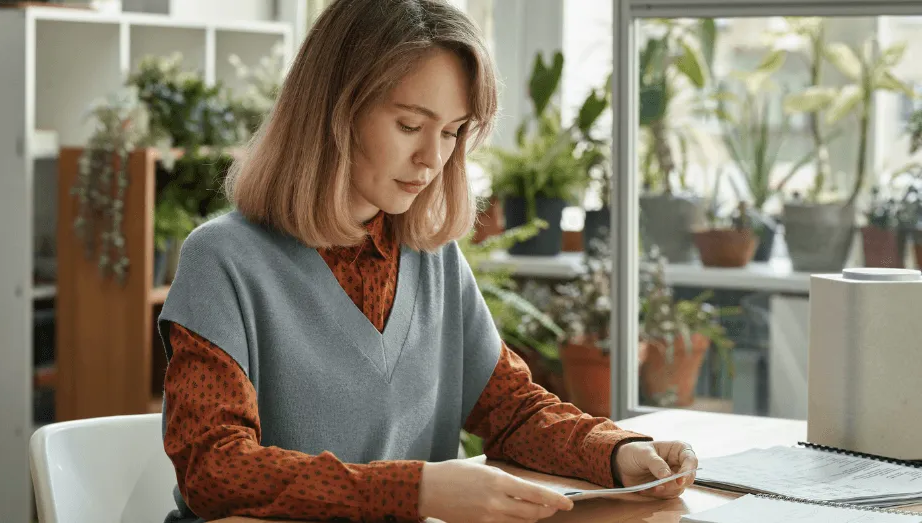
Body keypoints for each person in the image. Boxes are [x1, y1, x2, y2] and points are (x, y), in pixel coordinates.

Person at [158, 0, 698, 522]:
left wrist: (616, 452)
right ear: (333, 112)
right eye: (410, 125)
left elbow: (514, 412)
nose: (432, 158)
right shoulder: (222, 259)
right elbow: (215, 470)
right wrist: (416, 491)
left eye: (452, 131)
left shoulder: (432, 259)